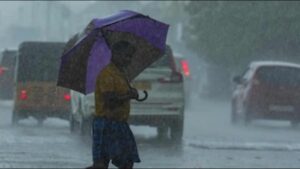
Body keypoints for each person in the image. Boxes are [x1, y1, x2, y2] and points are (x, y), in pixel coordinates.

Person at [87, 40, 141, 169]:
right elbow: (110, 101)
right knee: (101, 164)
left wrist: (131, 92)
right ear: (115, 54)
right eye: (126, 56)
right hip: (106, 124)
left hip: (120, 124)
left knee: (127, 161)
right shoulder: (107, 74)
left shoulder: (120, 74)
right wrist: (129, 95)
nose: (128, 60)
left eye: (130, 57)